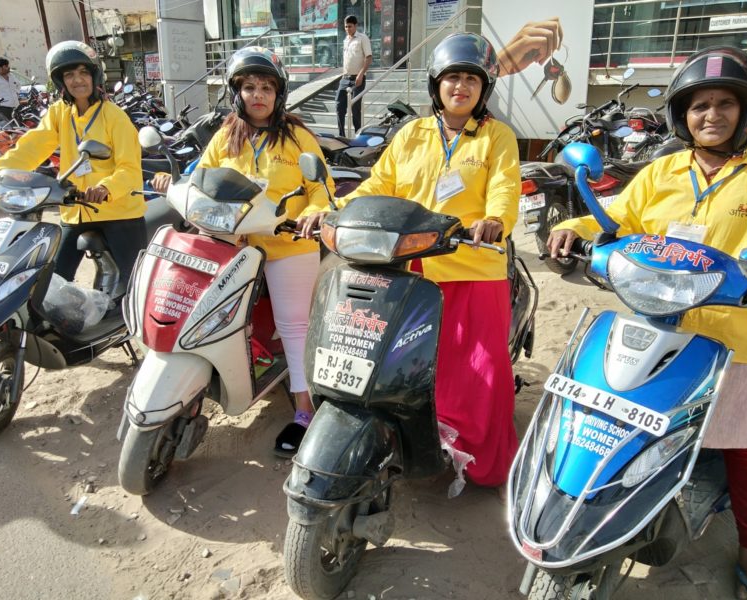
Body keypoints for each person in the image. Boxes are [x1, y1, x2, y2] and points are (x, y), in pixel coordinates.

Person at [547, 46, 747, 600]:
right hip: (660, 325)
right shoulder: (663, 171)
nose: (712, 114)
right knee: (612, 419)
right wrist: (572, 227)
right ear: (681, 116)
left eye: (726, 103)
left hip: (738, 341)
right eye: (699, 105)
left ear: (745, 112)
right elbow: (616, 221)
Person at [308, 32, 520, 489]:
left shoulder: (497, 137)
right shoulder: (412, 134)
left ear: (484, 89)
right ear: (436, 85)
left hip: (473, 265)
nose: (460, 87)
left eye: (470, 79)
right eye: (452, 78)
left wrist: (494, 221)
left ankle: (484, 463)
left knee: (481, 369)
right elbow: (378, 184)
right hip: (412, 266)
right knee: (411, 362)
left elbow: (505, 188)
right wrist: (337, 211)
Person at [155, 47, 334, 457]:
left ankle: (305, 410)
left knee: (293, 324)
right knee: (205, 313)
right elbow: (198, 176)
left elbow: (319, 192)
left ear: (279, 93)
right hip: (233, 246)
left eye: (267, 87)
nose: (258, 95)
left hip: (288, 244)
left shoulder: (297, 137)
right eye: (249, 87)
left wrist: (314, 214)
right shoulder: (225, 136)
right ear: (236, 93)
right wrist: (174, 183)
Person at [0, 41, 145, 290]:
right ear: (61, 82)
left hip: (118, 211)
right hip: (75, 209)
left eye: (83, 72)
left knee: (134, 284)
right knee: (53, 281)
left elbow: (130, 169)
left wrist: (106, 187)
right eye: (69, 75)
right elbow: (32, 147)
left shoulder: (114, 116)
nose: (77, 80)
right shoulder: (59, 113)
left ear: (94, 76)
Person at [336, 15, 372, 137]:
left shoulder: (362, 38)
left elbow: (369, 57)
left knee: (355, 108)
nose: (347, 29)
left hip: (358, 78)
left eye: (350, 26)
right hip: (345, 79)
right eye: (346, 26)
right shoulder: (345, 40)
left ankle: (358, 135)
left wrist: (361, 74)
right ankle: (341, 136)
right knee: (339, 106)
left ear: (356, 26)